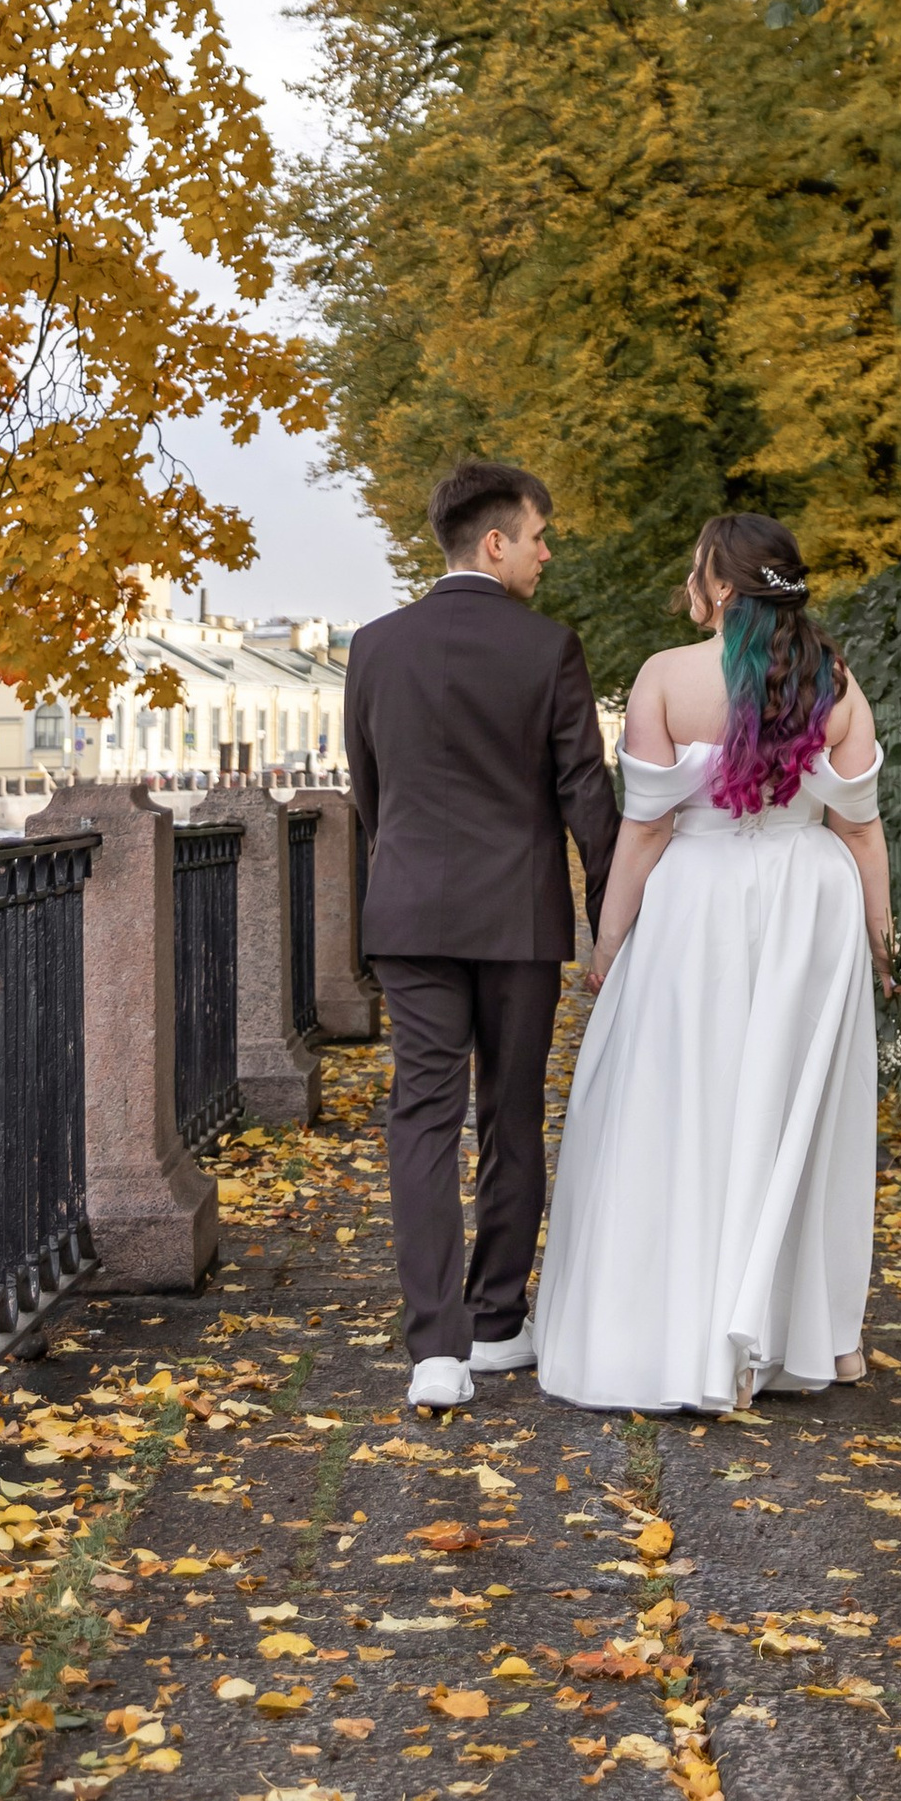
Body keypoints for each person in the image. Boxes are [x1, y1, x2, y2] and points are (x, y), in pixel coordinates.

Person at [533, 510, 890, 1412]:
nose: (689, 582)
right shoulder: (838, 682)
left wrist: (608, 941)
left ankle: (678, 1324)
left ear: (722, 585)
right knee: (796, 1112)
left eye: (698, 567)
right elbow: (859, 827)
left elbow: (647, 827)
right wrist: (882, 940)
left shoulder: (664, 676)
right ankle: (810, 1334)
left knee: (684, 1099)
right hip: (811, 904)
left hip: (699, 902)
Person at [345, 457, 619, 1412]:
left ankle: (436, 1347)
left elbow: (371, 790)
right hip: (518, 917)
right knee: (510, 1111)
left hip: (410, 911)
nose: (546, 553)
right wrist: (613, 918)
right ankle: (498, 1320)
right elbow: (587, 796)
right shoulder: (549, 649)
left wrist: (404, 869)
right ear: (495, 541)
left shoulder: (374, 646)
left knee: (421, 1114)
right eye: (538, 537)